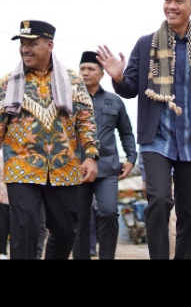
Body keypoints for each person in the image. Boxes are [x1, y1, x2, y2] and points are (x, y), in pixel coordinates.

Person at [97, 0, 191, 260]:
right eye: (167, 0)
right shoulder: (146, 44)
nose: (171, 6)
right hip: (157, 140)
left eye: (179, 1)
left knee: (189, 211)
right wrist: (118, 77)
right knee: (159, 200)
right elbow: (130, 88)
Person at [0, 20, 99, 260]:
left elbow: (86, 121)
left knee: (66, 231)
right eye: (22, 44)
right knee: (25, 233)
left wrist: (91, 156)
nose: (25, 49)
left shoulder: (73, 80)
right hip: (21, 167)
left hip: (64, 167)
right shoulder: (7, 83)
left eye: (32, 44)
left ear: (50, 45)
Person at [73, 51, 137, 260]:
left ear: (102, 74)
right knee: (79, 218)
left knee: (109, 213)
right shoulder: (71, 100)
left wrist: (131, 158)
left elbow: (126, 132)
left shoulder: (114, 101)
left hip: (108, 168)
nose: (85, 72)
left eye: (91, 69)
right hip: (76, 169)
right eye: (82, 68)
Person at [138, 138, 191, 259]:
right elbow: (146, 137)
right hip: (165, 174)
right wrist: (146, 175)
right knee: (172, 223)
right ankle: (171, 255)